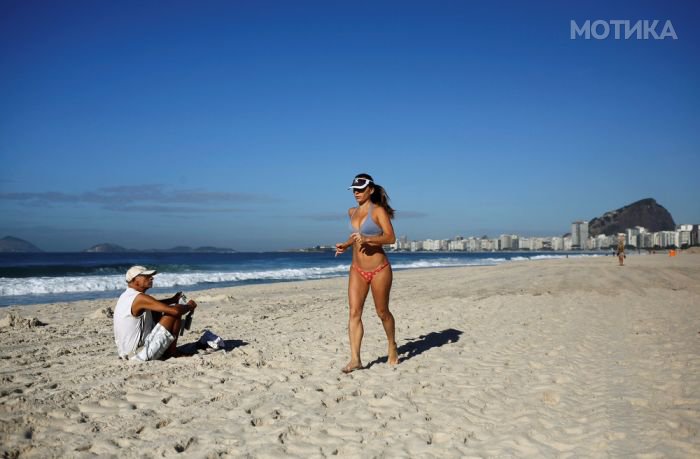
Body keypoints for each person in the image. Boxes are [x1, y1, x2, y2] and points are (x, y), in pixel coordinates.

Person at [335, 173, 398, 373]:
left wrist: (368, 239)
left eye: (361, 189)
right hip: (357, 269)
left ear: (370, 189)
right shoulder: (351, 211)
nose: (357, 193)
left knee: (382, 312)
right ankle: (355, 359)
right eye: (354, 189)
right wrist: (345, 245)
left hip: (379, 269)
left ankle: (391, 344)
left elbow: (390, 238)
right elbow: (356, 237)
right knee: (354, 312)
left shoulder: (378, 211)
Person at [113, 265, 197, 361]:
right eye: (147, 276)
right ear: (136, 279)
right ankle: (172, 353)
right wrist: (190, 306)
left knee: (156, 312)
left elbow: (154, 305)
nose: (151, 278)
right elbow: (175, 311)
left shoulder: (126, 296)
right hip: (139, 355)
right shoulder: (140, 298)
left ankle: (170, 351)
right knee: (174, 311)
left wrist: (172, 299)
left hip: (127, 353)